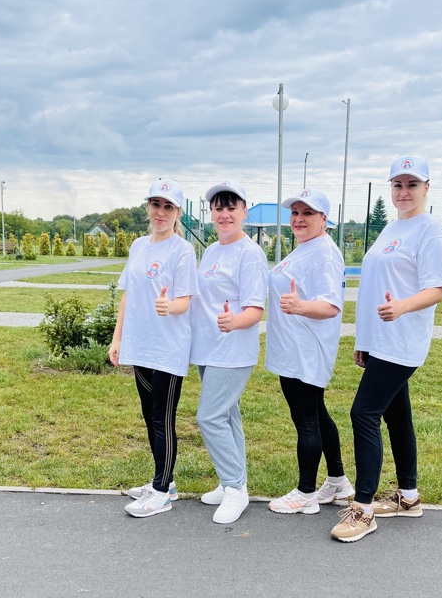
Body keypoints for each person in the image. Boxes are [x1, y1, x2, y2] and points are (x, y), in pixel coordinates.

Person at [331, 154, 442, 543]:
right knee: (397, 416)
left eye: (412, 184)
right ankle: (408, 497)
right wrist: (364, 340)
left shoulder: (431, 231)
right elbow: (373, 287)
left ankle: (362, 509)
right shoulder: (391, 227)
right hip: (381, 341)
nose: (404, 191)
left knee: (363, 413)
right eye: (398, 185)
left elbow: (437, 288)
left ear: (426, 188)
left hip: (403, 340)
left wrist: (402, 307)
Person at [109, 179, 199, 517]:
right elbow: (128, 295)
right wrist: (118, 338)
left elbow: (185, 301)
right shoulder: (138, 246)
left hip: (168, 348)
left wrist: (169, 306)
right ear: (148, 207)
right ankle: (165, 480)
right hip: (140, 343)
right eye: (156, 205)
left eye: (168, 207)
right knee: (149, 416)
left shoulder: (182, 250)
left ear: (178, 212)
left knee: (163, 418)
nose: (161, 212)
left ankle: (161, 493)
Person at [265, 189, 353, 515]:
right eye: (295, 213)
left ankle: (305, 494)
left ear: (324, 219)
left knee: (306, 421)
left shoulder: (323, 254)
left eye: (308, 213)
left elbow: (330, 306)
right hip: (294, 347)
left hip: (304, 350)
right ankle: (338, 481)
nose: (299, 219)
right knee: (316, 414)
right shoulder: (307, 247)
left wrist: (300, 306)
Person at [190, 180, 268, 525]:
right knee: (227, 415)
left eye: (231, 207)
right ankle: (233, 482)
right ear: (211, 213)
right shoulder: (211, 251)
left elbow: (255, 310)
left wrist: (234, 321)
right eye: (218, 208)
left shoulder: (249, 254)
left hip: (233, 350)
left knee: (209, 417)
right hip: (209, 349)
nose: (224, 214)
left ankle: (235, 489)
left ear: (244, 212)